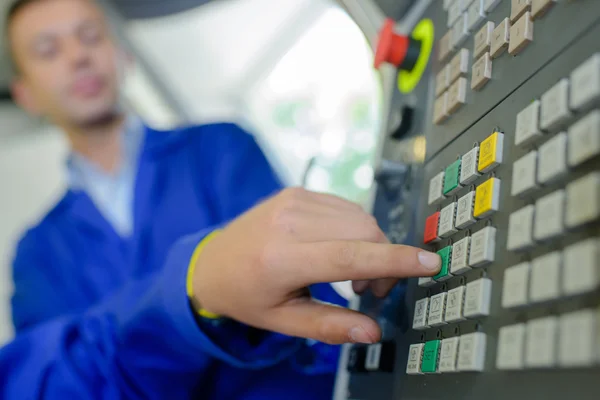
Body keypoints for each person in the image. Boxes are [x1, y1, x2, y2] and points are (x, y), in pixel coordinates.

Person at [3, 0, 442, 398]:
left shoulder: (221, 147)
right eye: (48, 50)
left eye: (91, 36)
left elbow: (304, 304)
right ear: (25, 94)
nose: (78, 56)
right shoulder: (36, 253)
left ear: (124, 55)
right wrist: (192, 287)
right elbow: (59, 384)